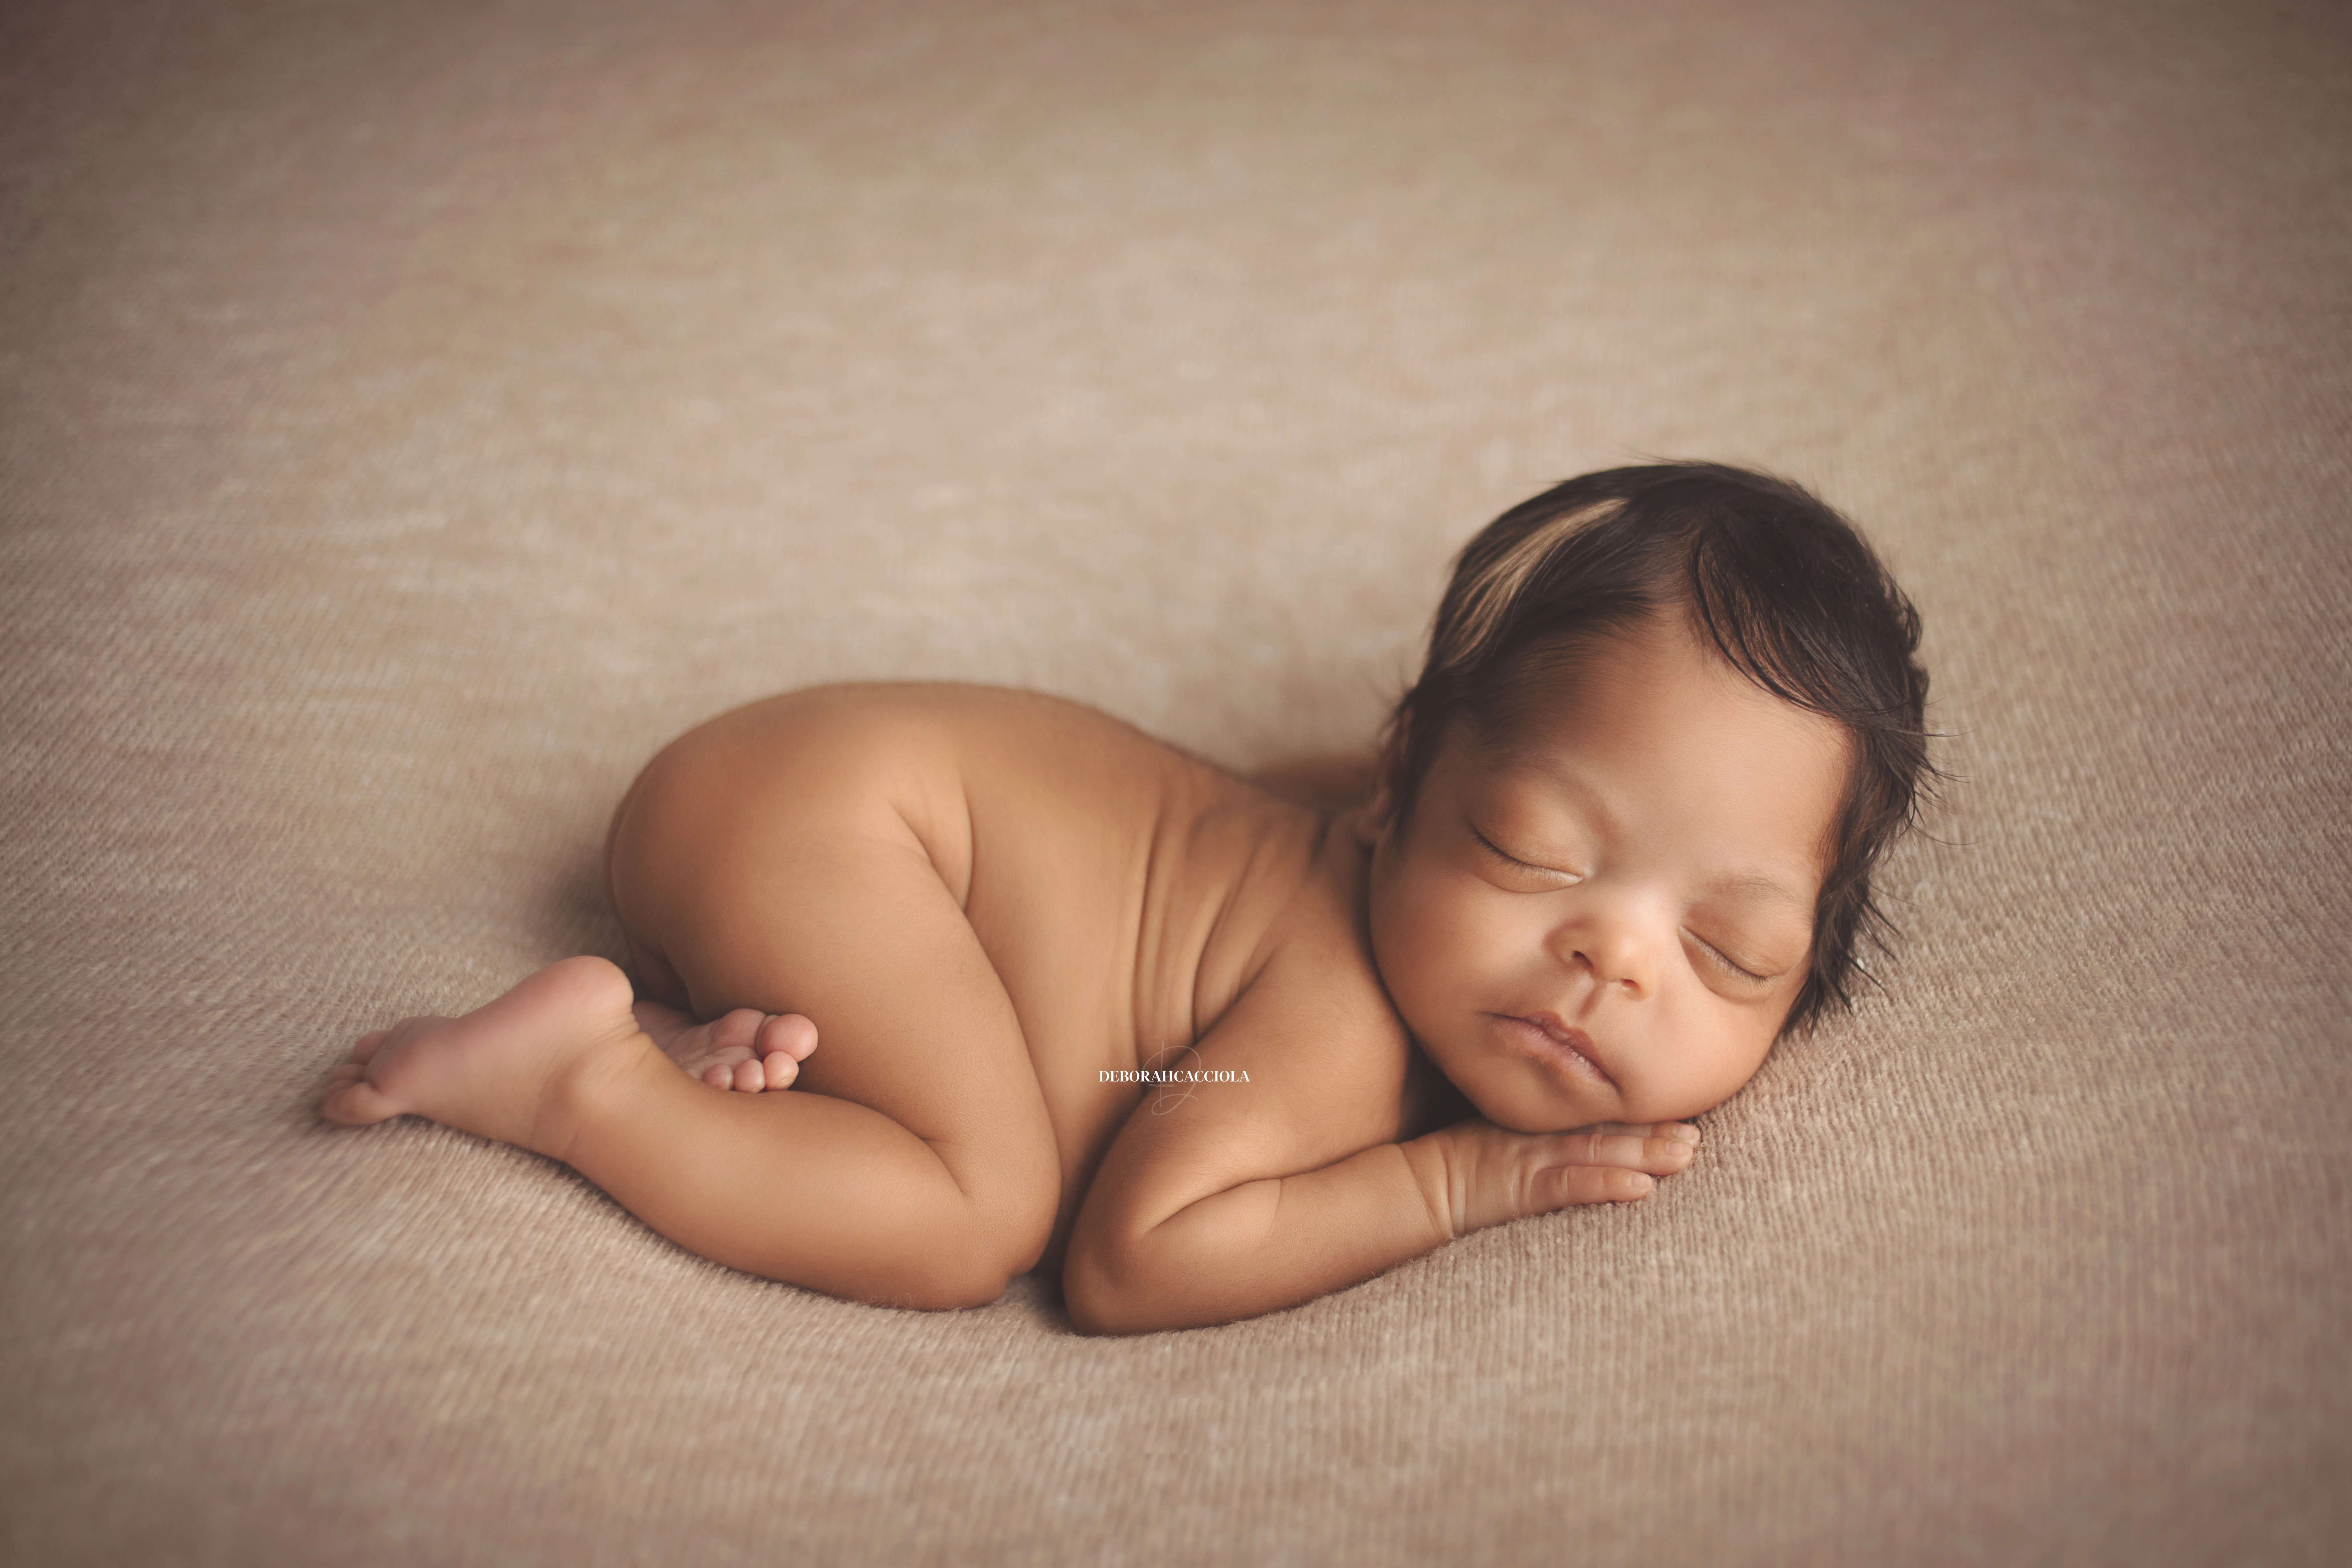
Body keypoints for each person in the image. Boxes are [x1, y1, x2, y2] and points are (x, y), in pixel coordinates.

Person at [320, 461, 1932, 1334]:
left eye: (1730, 950)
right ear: (1397, 791)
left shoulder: (1355, 838)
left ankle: (704, 1046)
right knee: (975, 1216)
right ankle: (582, 1086)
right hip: (855, 823)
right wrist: (1458, 1190)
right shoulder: (1337, 1027)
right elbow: (1135, 1260)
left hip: (810, 812)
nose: (1612, 953)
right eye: (1529, 848)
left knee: (936, 1091)